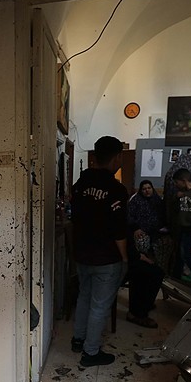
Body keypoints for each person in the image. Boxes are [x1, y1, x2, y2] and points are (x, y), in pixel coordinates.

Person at [70, 136, 128, 367]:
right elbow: (119, 230)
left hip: (82, 254)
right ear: (117, 157)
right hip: (106, 257)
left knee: (84, 297)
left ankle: (78, 339)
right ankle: (90, 353)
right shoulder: (116, 189)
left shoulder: (80, 184)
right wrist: (124, 258)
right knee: (99, 305)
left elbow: (75, 218)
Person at [125, 180, 167, 327]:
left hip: (154, 235)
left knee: (157, 270)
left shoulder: (157, 201)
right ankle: (138, 312)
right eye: (144, 189)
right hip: (131, 252)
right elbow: (129, 221)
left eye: (149, 188)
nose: (147, 191)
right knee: (147, 274)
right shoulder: (135, 202)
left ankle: (145, 304)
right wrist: (139, 256)